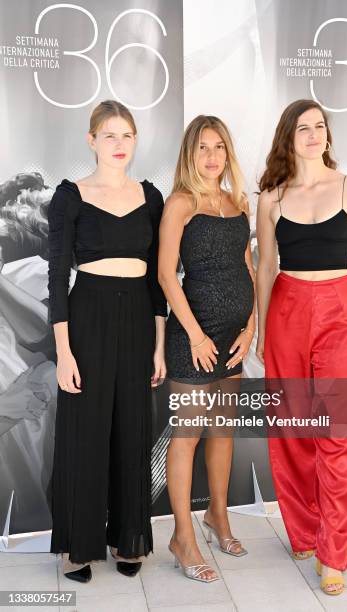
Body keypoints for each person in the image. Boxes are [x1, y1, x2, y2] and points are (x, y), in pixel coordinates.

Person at [256, 99, 347, 595]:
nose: (313, 135)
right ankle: (304, 531)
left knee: (339, 432)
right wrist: (263, 329)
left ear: (329, 134)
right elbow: (265, 266)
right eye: (303, 128)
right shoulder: (270, 196)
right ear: (289, 137)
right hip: (285, 307)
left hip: (338, 308)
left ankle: (334, 554)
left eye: (320, 126)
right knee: (290, 426)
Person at [48, 100, 167, 583]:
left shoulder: (152, 197)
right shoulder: (70, 196)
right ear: (91, 140)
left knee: (132, 430)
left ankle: (127, 536)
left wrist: (159, 345)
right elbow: (57, 279)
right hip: (88, 315)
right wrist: (63, 352)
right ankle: (78, 545)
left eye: (128, 136)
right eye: (110, 135)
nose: (120, 145)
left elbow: (159, 278)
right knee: (86, 431)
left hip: (139, 318)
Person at [158, 115, 256, 582]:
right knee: (187, 437)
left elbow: (249, 270)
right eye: (202, 148)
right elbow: (164, 276)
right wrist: (196, 334)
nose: (212, 156)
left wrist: (251, 327)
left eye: (219, 147)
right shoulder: (180, 203)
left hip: (233, 338)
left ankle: (218, 516)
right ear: (189, 154)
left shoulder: (238, 203)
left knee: (222, 432)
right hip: (192, 338)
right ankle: (183, 537)